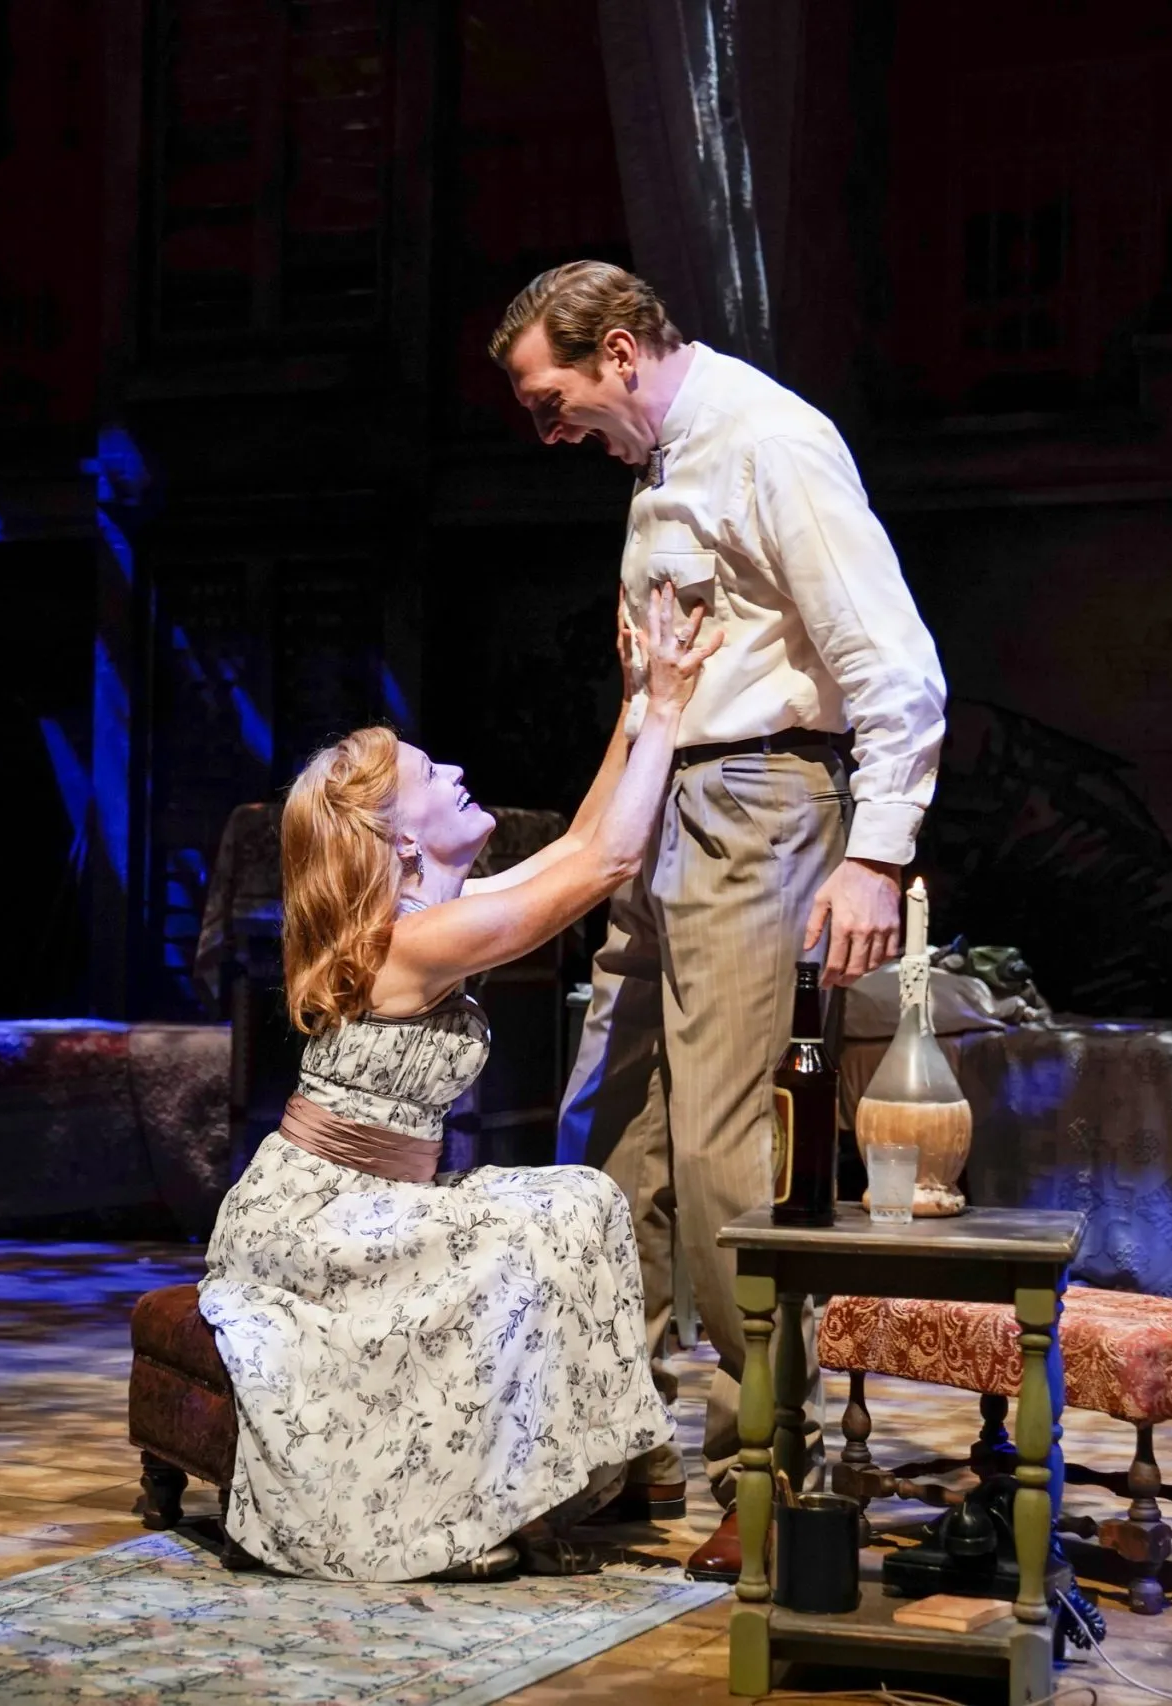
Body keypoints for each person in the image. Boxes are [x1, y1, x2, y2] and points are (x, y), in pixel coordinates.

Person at [490, 261, 948, 1577]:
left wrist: (874, 857)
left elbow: (897, 669)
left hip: (756, 799)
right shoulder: (660, 461)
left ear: (622, 350)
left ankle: (778, 1464)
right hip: (664, 799)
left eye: (553, 396)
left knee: (725, 1149)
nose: (551, 428)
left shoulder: (770, 442)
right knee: (602, 1133)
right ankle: (614, 1438)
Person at [197, 585, 725, 1583]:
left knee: (572, 1200)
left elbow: (575, 845)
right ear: (399, 837)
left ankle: (563, 1474)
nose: (458, 772)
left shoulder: (438, 912)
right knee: (557, 1212)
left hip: (373, 1201)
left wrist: (635, 701)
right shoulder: (413, 941)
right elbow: (610, 857)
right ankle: (496, 1493)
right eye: (434, 774)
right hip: (313, 1223)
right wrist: (665, 708)